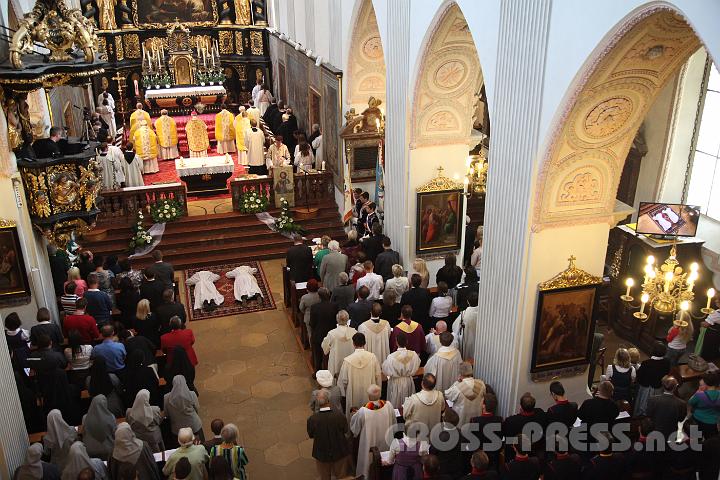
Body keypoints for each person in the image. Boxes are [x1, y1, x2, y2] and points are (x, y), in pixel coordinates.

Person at [350, 384, 396, 478]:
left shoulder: (363, 410)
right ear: (379, 395)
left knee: (369, 461)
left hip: (369, 443)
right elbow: (394, 422)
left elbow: (355, 428)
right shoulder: (388, 405)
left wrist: (354, 414)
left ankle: (367, 475)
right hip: (385, 440)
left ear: (369, 396)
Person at [307, 389, 350, 479]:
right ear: (328, 400)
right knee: (341, 476)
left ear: (318, 403)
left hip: (321, 453)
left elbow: (311, 434)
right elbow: (345, 430)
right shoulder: (339, 415)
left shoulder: (312, 419)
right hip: (340, 450)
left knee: (324, 477)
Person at [338, 333, 382, 420]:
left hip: (353, 394)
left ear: (353, 344)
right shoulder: (372, 357)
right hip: (370, 395)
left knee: (354, 416)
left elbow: (344, 381)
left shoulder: (347, 360)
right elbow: (378, 376)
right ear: (365, 343)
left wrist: (345, 393)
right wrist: (378, 393)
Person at [382, 332, 421, 408]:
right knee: (409, 404)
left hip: (396, 382)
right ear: (407, 341)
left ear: (396, 342)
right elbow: (417, 365)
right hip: (408, 381)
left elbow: (385, 370)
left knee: (396, 403)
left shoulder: (391, 357)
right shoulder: (413, 355)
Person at [502, 393, 547, 459]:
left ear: (521, 407)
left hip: (516, 453)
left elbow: (507, 438)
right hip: (535, 451)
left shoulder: (511, 421)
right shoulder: (541, 414)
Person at [634, 342, 670, 416]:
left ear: (652, 351)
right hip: (658, 389)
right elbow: (666, 374)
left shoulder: (646, 363)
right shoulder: (667, 362)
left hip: (645, 388)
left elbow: (639, 377)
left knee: (642, 405)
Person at [445, 362, 485, 427]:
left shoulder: (457, 387)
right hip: (476, 420)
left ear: (460, 374)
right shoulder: (481, 384)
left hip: (461, 421)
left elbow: (447, 395)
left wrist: (457, 382)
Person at [165, 375, 204, 440]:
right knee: (199, 444)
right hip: (194, 425)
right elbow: (197, 408)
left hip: (178, 429)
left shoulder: (166, 397)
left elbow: (167, 413)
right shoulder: (191, 394)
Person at [321, 310, 357, 379]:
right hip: (350, 362)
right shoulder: (354, 332)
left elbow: (324, 347)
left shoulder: (332, 333)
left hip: (336, 362)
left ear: (337, 320)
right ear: (347, 319)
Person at [310, 288, 340, 371]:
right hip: (331, 334)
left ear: (319, 297)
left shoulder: (314, 307)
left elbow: (312, 323)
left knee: (318, 355)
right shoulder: (335, 306)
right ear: (328, 295)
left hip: (319, 335)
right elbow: (336, 320)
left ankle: (318, 371)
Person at [81, 395, 116, 460]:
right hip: (107, 450)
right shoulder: (111, 417)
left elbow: (83, 433)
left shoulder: (85, 418)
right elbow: (114, 434)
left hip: (89, 450)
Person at [688, 371, 720, 438]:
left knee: (695, 439)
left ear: (706, 384)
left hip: (697, 420)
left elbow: (690, 402)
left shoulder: (700, 395)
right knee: (709, 439)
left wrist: (697, 392)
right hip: (712, 422)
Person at [452, 292, 479, 360]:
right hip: (479, 340)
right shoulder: (484, 312)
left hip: (468, 339)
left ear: (468, 302)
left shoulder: (464, 315)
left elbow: (454, 328)